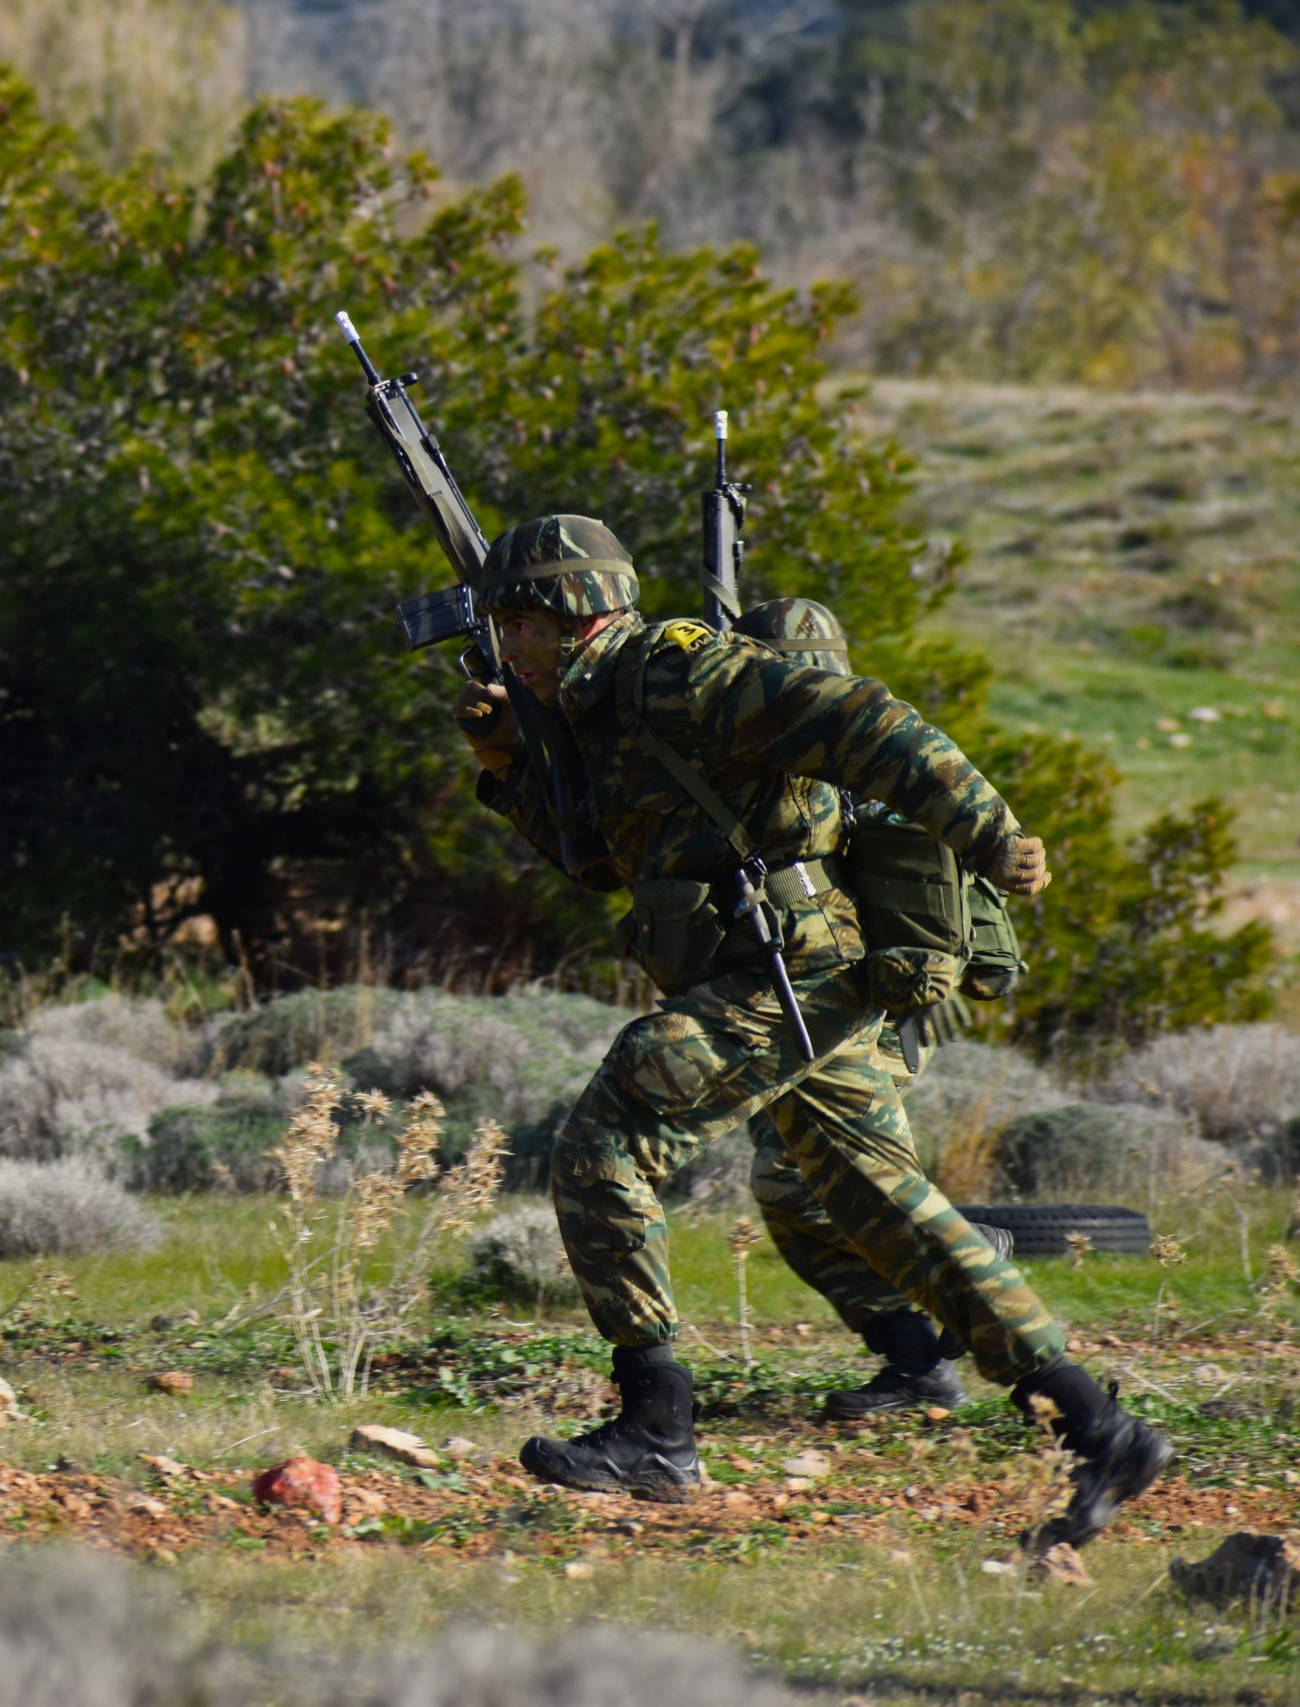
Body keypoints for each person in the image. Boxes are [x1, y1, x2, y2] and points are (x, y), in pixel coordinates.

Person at [453, 516, 1169, 1550]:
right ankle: (1100, 1429)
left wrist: (989, 829)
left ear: (570, 616)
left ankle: (656, 1428)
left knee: (607, 1140)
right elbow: (598, 862)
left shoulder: (670, 672)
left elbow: (858, 718)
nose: (506, 649)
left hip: (788, 972)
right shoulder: (596, 712)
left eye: (515, 625)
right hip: (779, 979)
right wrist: (506, 762)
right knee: (886, 1212)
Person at [729, 598, 1012, 1420]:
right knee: (790, 1189)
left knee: (817, 1178)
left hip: (870, 1001)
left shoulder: (846, 754)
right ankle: (915, 1361)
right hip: (810, 998)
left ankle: (970, 1274)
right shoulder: (797, 746)